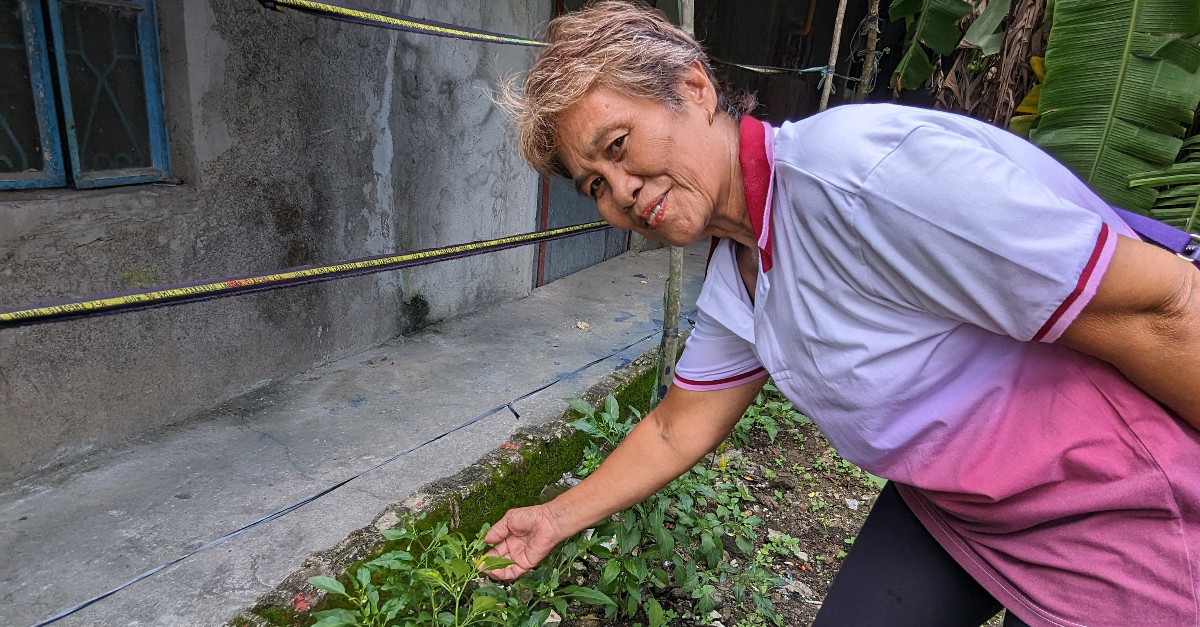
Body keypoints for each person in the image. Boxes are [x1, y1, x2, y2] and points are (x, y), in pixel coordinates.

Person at [485, 3, 1200, 626]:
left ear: (693, 88)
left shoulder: (859, 179)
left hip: (1117, 508)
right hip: (959, 512)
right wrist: (554, 517)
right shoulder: (742, 269)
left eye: (619, 146)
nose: (622, 193)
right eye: (596, 185)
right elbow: (678, 425)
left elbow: (1161, 304)